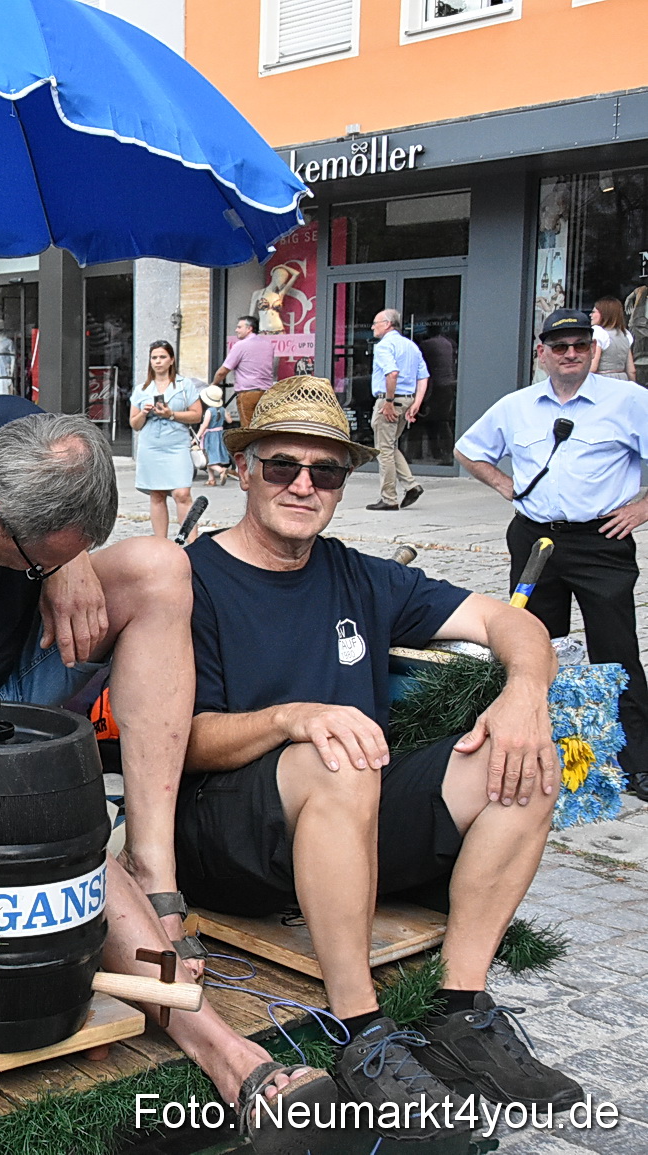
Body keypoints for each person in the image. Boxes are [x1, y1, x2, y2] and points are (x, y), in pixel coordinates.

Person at [0, 395, 340, 1147]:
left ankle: (153, 867)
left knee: (161, 565)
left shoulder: (13, 428)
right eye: (44, 555)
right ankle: (225, 1051)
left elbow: (67, 463)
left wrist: (71, 562)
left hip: (25, 651)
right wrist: (22, 825)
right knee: (53, 831)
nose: (56, 561)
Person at [180, 376, 582, 1138]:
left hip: (348, 814)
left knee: (528, 756)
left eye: (325, 471)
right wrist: (292, 718)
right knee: (338, 752)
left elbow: (508, 623)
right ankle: (364, 1036)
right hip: (225, 835)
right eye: (282, 466)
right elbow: (180, 740)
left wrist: (527, 691)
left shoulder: (359, 573)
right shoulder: (194, 579)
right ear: (242, 469)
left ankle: (460, 1008)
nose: (304, 484)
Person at [455, 307, 648, 798]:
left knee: (616, 648)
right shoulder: (517, 405)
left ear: (593, 350)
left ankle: (637, 761)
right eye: (559, 346)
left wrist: (643, 508)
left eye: (579, 345)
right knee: (534, 646)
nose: (569, 354)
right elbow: (468, 449)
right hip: (535, 539)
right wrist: (503, 483)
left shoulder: (627, 400)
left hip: (600, 541)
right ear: (541, 352)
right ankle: (544, 748)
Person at [127, 340, 203, 536]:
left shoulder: (185, 385)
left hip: (177, 444)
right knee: (157, 494)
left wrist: (171, 414)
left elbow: (197, 415)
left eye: (162, 357)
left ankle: (192, 543)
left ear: (171, 360)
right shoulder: (142, 389)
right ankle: (161, 543)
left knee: (182, 493)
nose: (157, 362)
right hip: (151, 446)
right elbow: (134, 425)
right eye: (154, 358)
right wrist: (143, 413)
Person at [366, 308, 429, 511]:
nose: (372, 327)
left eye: (376, 323)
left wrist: (389, 402)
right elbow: (423, 376)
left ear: (387, 324)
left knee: (383, 450)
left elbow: (391, 373)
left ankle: (389, 498)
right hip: (407, 400)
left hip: (389, 400)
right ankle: (411, 485)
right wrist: (416, 402)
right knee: (390, 445)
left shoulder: (384, 346)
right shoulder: (411, 346)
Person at [209, 315, 275, 428]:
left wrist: (214, 384)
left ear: (249, 328)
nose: (236, 330)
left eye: (239, 327)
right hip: (267, 393)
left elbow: (223, 371)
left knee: (248, 430)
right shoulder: (268, 344)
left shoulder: (240, 345)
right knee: (264, 428)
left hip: (248, 393)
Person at [589, 296, 636, 381]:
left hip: (603, 381)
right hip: (622, 380)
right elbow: (631, 370)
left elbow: (593, 367)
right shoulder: (625, 334)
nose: (590, 315)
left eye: (593, 312)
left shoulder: (598, 332)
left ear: (604, 314)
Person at [194, 382, 232, 486]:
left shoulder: (209, 411)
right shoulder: (223, 409)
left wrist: (197, 437)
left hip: (210, 436)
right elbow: (229, 421)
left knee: (208, 459)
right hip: (219, 434)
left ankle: (221, 470)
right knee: (211, 457)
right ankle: (211, 479)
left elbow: (205, 425)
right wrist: (227, 415)